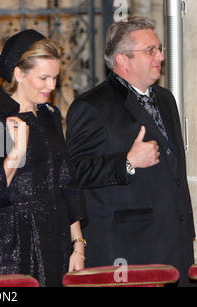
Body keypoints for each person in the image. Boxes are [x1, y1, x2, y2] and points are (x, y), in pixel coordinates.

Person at [66, 16, 195, 286]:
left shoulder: (165, 99)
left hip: (175, 243)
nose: (160, 56)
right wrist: (127, 162)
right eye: (151, 51)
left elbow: (174, 171)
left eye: (159, 48)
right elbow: (75, 172)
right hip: (128, 248)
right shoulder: (91, 106)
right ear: (123, 59)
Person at [0, 30, 87, 287]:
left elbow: (67, 183)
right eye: (44, 78)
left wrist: (78, 246)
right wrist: (17, 151)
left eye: (55, 77)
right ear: (19, 73)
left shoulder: (51, 114)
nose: (51, 86)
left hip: (58, 240)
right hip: (16, 246)